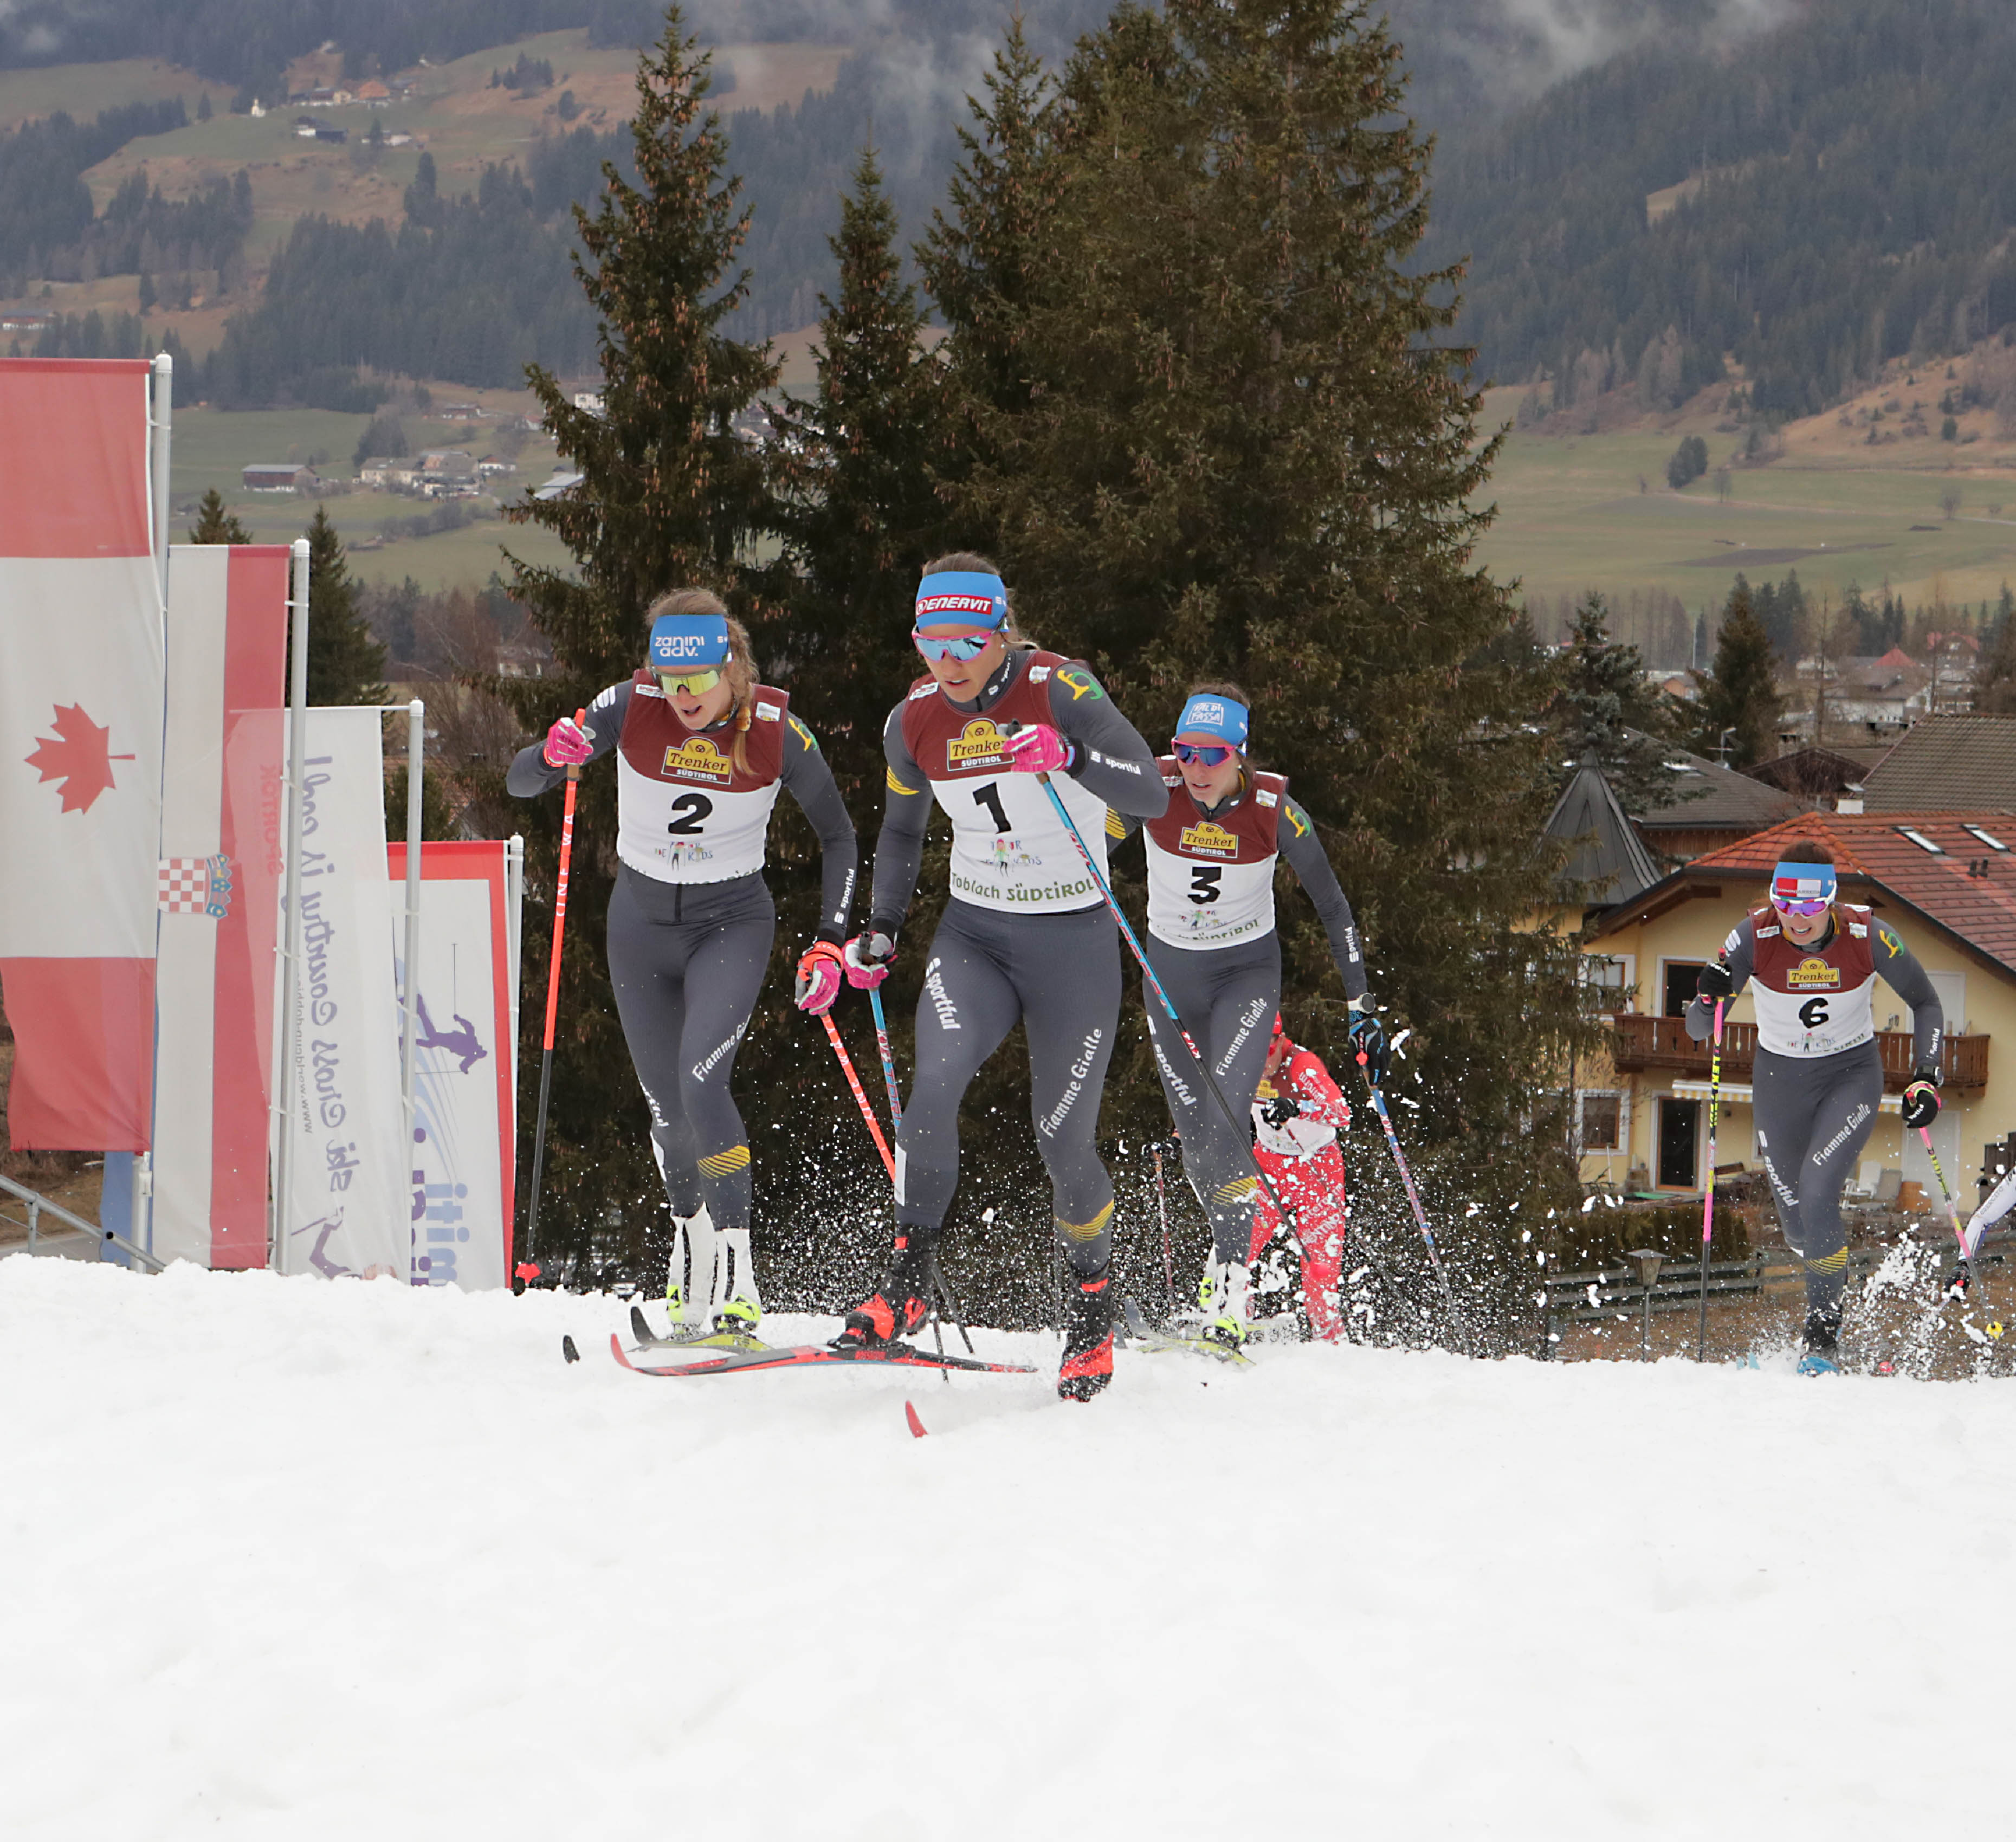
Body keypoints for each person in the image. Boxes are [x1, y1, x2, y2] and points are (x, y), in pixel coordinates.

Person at [836, 554, 1167, 1400]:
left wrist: (1070, 755)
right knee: (933, 1088)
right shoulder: (911, 720)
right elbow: (904, 834)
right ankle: (908, 1277)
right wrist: (878, 928)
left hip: (1074, 943)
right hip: (975, 934)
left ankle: (1092, 1304)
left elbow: (1152, 793)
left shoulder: (1062, 688)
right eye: (930, 640)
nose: (947, 659)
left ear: (1000, 632)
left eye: (966, 640)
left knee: (1062, 1138)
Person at [507, 590, 856, 1337]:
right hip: (639, 926)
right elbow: (520, 780)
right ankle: (689, 1244)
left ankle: (740, 1270)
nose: (684, 696)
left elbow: (841, 837)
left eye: (698, 678)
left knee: (703, 1080)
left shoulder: (773, 729)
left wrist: (830, 935)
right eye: (672, 680)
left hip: (727, 922)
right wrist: (550, 754)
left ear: (732, 665)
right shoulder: (630, 704)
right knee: (666, 1107)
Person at [1118, 683, 1378, 1348]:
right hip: (1169, 982)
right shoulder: (1154, 787)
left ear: (1240, 755)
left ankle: (1232, 1297)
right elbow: (1084, 835)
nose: (1197, 768)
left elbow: (1333, 905)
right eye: (1186, 752)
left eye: (1213, 754)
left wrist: (1359, 1003)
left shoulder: (1273, 809)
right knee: (1199, 1143)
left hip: (1244, 977)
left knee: (1231, 1119)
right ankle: (1220, 1283)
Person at [1687, 838, 1944, 1373]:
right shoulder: (1752, 937)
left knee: (1820, 1189)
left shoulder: (1868, 935)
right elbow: (1697, 1027)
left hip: (1849, 1075)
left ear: (1830, 899)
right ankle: (1831, 1280)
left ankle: (1823, 1333)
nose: (1796, 918)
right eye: (1785, 903)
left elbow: (1926, 1001)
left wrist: (1925, 1078)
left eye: (1809, 905)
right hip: (1778, 1082)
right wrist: (1707, 996)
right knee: (1799, 1226)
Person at [1250, 1017, 1357, 1342]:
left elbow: (1341, 1112)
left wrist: (1295, 1106)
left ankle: (1328, 1340)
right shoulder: (1238, 1062)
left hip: (1316, 1167)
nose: (1262, 1067)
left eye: (1267, 1054)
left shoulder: (1302, 1064)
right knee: (1238, 1243)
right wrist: (1177, 1137)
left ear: (1280, 1041)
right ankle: (1230, 1319)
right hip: (1268, 1163)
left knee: (1320, 1265)